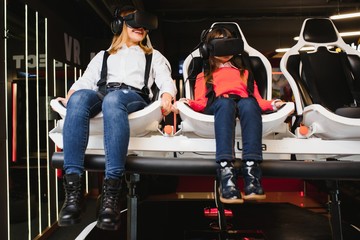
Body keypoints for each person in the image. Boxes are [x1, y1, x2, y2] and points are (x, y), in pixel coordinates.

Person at [56, 6, 177, 230]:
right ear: (119, 26)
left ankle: (111, 193)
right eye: (133, 23)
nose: (140, 28)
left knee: (113, 101)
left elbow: (165, 81)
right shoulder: (103, 56)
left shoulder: (153, 56)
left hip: (133, 98)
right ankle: (73, 194)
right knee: (79, 99)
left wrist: (168, 95)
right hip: (103, 93)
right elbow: (85, 81)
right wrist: (72, 94)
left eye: (144, 25)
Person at [175, 27, 285, 204]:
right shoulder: (205, 75)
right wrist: (186, 103)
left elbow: (257, 101)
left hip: (243, 103)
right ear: (209, 48)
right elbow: (202, 102)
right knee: (226, 103)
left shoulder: (245, 73)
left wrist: (274, 104)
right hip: (218, 105)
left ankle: (251, 171)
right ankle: (226, 171)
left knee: (249, 103)